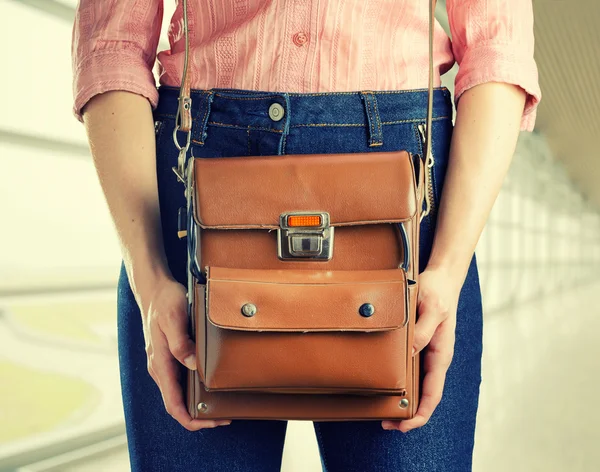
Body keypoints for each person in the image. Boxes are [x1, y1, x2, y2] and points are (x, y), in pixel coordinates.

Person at [71, 1, 541, 470]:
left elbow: (497, 43)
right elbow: (112, 45)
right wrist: (150, 277)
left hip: (402, 193)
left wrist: (448, 265)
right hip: (202, 181)